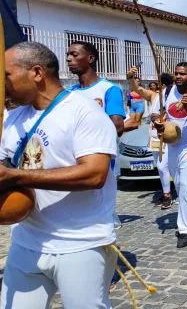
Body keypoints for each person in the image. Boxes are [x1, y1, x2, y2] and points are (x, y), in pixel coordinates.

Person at [0, 41, 118, 308]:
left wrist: (16, 176)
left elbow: (94, 174)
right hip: (27, 241)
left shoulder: (84, 111)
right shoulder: (14, 117)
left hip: (81, 244)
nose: (2, 83)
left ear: (37, 73)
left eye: (6, 75)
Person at [151, 62, 187, 248]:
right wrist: (159, 122)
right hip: (174, 144)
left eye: (182, 74)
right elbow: (159, 114)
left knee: (185, 184)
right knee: (182, 184)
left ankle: (184, 229)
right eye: (176, 73)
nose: (178, 76)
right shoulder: (167, 92)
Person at [127, 67, 175, 209]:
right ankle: (166, 191)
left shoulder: (173, 95)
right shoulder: (154, 96)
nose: (157, 85)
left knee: (163, 165)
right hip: (154, 136)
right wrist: (130, 78)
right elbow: (138, 89)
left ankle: (168, 195)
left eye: (160, 82)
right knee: (159, 167)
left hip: (167, 137)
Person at [67, 41, 125, 137]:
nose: (68, 59)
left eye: (74, 55)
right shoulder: (68, 92)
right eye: (68, 55)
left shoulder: (110, 89)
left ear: (91, 58)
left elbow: (117, 127)